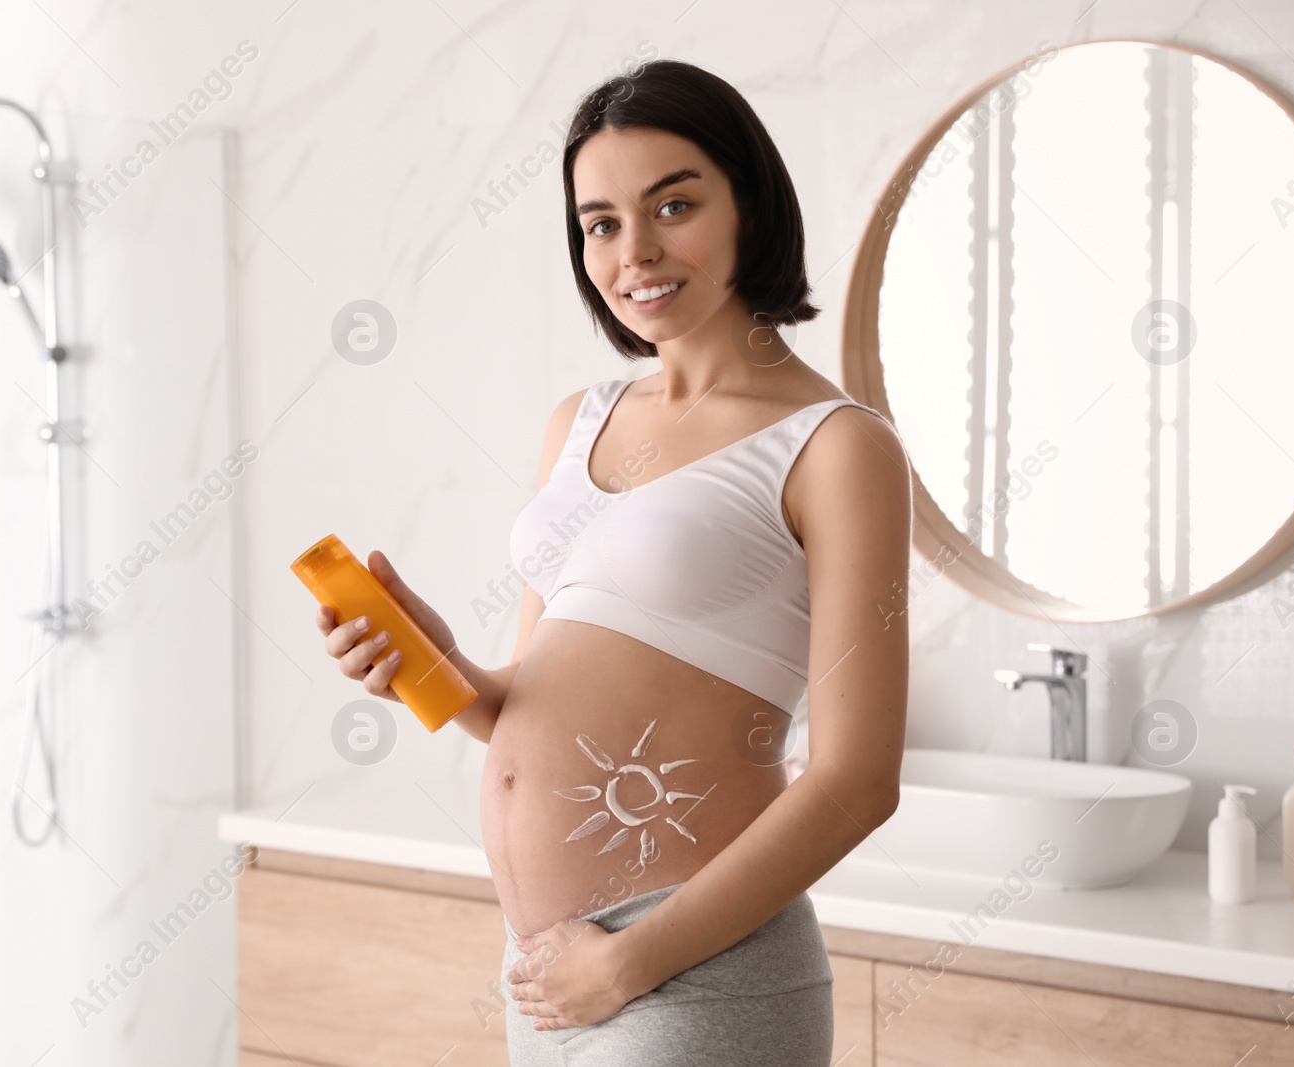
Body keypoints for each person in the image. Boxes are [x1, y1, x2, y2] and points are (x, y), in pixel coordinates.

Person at [317, 58, 911, 1066]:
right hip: (548, 970)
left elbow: (857, 779)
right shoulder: (580, 420)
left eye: (672, 205)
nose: (633, 250)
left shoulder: (835, 445)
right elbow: (516, 707)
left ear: (750, 208)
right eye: (599, 222)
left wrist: (630, 962)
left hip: (689, 971)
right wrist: (428, 657)